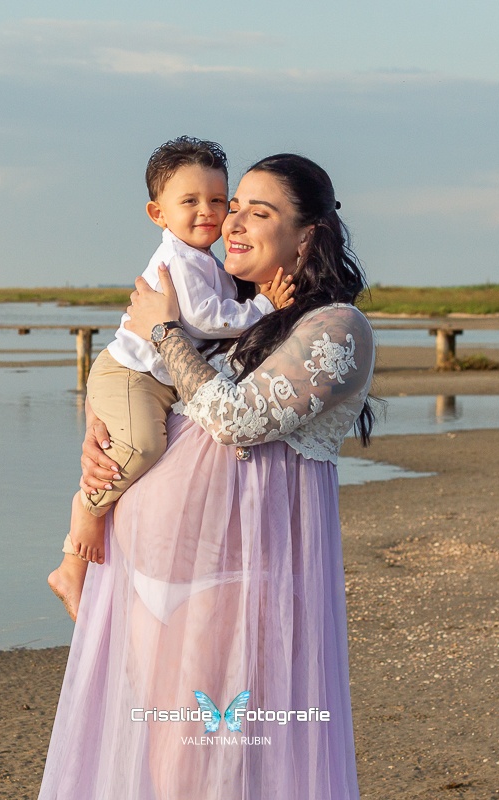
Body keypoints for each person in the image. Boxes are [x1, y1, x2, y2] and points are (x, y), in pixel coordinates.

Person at [38, 154, 374, 799]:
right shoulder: (232, 310)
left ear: (308, 234)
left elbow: (237, 420)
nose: (233, 221)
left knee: (209, 751)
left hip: (236, 573)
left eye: (259, 210)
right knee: (166, 747)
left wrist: (164, 329)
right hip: (153, 567)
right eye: (235, 206)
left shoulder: (334, 327)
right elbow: (146, 380)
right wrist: (96, 428)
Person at [47, 137, 294, 619]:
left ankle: (76, 565)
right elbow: (202, 320)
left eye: (218, 200)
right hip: (133, 373)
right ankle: (86, 511)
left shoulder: (210, 263)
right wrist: (264, 306)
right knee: (142, 446)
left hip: (150, 376)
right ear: (157, 214)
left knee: (141, 447)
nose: (208, 212)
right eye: (190, 202)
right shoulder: (178, 261)